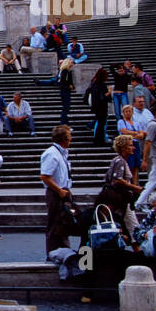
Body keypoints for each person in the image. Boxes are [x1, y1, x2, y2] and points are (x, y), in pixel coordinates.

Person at [96, 134, 144, 240]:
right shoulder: (120, 161)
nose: (134, 148)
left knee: (130, 226)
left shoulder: (118, 160)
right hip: (121, 199)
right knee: (133, 226)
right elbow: (117, 180)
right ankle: (139, 250)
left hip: (120, 199)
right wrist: (135, 188)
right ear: (123, 147)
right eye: (131, 145)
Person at [40, 125, 76, 255]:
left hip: (63, 191)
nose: (71, 139)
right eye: (69, 136)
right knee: (54, 224)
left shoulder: (61, 153)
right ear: (63, 139)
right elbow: (45, 176)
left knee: (63, 224)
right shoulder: (51, 153)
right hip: (56, 193)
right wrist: (59, 190)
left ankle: (63, 252)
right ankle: (52, 253)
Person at [84, 68, 112, 146]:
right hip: (102, 107)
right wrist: (109, 92)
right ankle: (99, 140)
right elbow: (103, 96)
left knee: (99, 123)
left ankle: (98, 139)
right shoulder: (102, 85)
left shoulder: (94, 83)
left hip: (96, 106)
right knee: (101, 124)